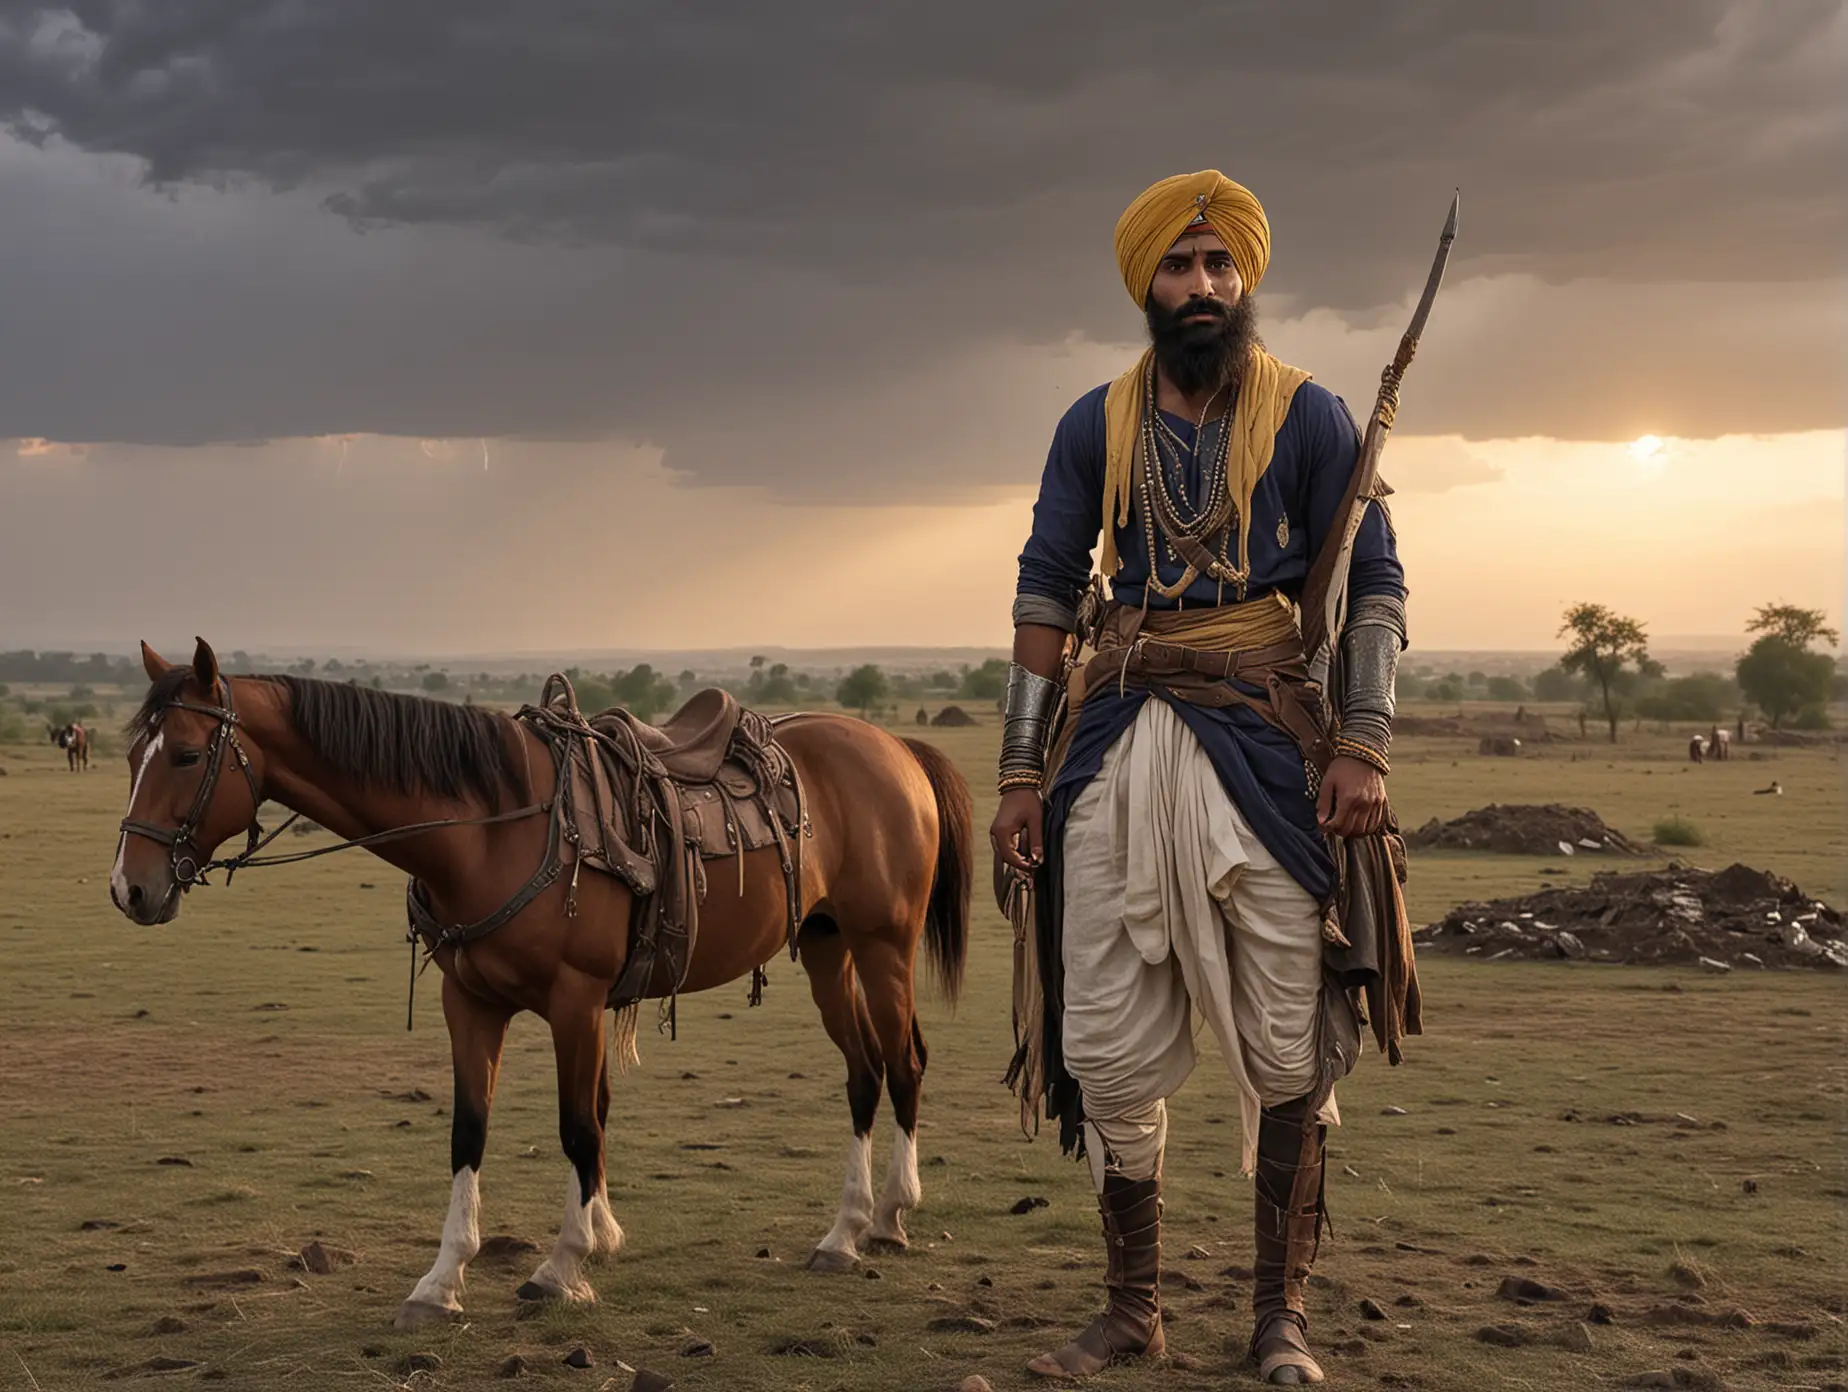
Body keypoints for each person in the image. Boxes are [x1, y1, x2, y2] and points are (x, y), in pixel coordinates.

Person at [991, 171, 1416, 1385]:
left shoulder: (1312, 417)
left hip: (1268, 744)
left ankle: (1280, 1316)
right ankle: (1133, 1310)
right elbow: (1043, 589)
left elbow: (1376, 583)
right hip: (1116, 735)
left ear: (1246, 281)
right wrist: (1022, 771)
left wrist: (1361, 744)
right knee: (1108, 1046)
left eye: (1220, 266)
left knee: (1290, 1037)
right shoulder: (1095, 424)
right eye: (1178, 268)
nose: (1201, 287)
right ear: (1146, 284)